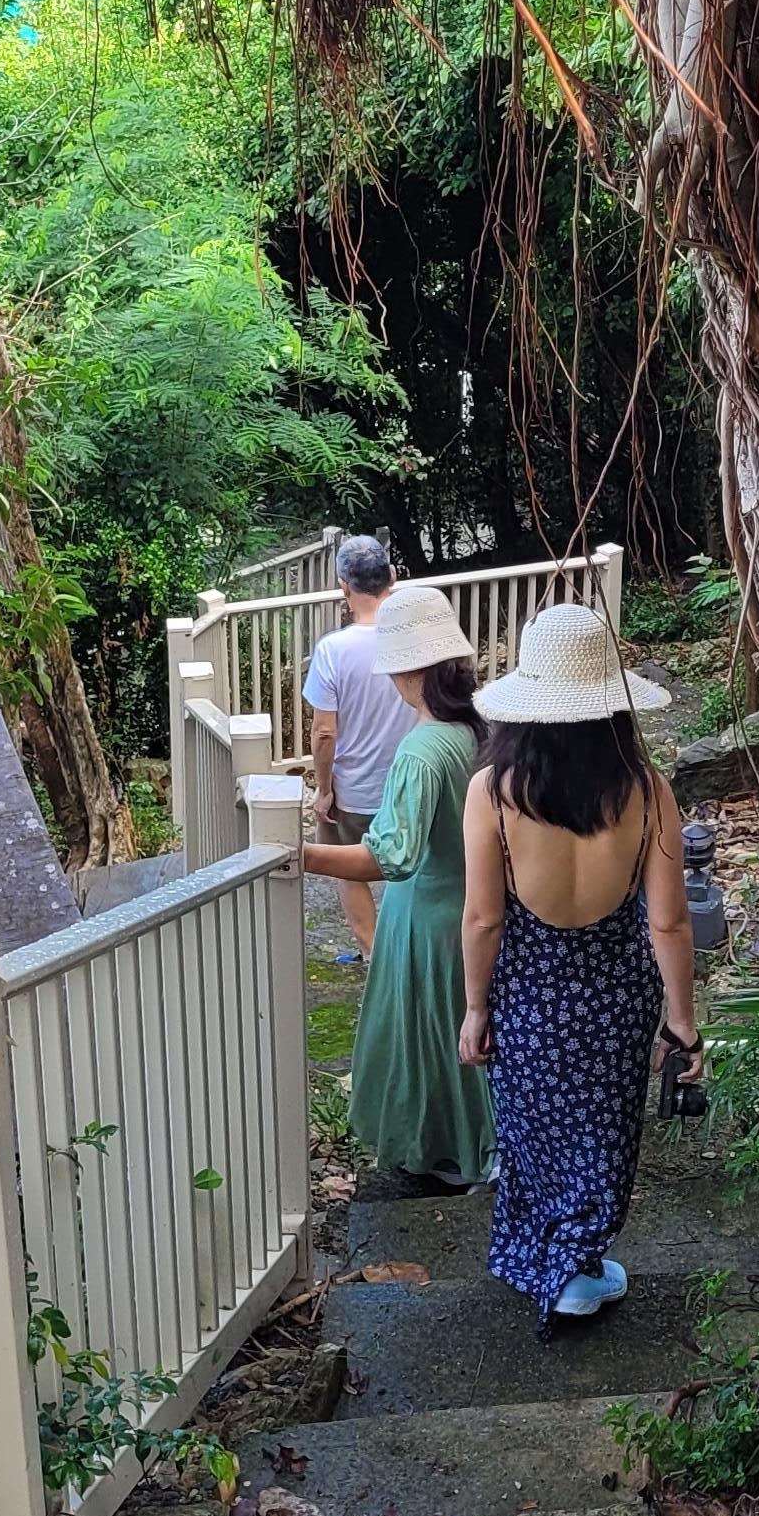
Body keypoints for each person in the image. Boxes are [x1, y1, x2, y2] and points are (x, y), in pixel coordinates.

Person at [458, 601, 702, 1322]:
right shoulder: (648, 790)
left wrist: (476, 1008)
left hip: (529, 992)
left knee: (534, 1129)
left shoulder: (493, 792)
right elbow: (668, 918)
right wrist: (682, 1024)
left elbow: (482, 916)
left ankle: (549, 1261)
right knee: (604, 1128)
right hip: (616, 997)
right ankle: (579, 1262)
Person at [301, 583, 496, 1190]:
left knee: (429, 1046)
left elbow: (393, 857)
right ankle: (489, 1149)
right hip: (481, 905)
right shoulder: (481, 729)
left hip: (427, 917)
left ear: (405, 671)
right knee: (470, 1042)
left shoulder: (421, 749)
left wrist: (300, 855)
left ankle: (438, 1154)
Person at [302, 534, 407, 957]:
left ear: (344, 586)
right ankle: (411, 950)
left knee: (348, 866)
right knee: (415, 866)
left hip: (356, 790)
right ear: (392, 578)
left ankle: (374, 954)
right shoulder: (414, 639)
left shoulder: (334, 650)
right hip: (410, 782)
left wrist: (324, 789)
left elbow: (324, 732)